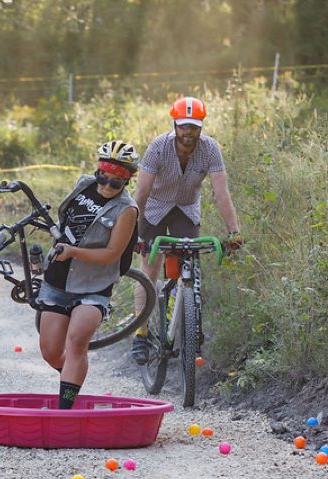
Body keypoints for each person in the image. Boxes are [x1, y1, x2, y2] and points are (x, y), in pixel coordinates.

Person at [130, 97, 243, 364]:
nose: (188, 132)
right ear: (175, 124)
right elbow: (142, 192)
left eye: (193, 126)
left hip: (185, 209)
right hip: (154, 208)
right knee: (149, 267)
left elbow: (221, 192)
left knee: (191, 267)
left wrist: (234, 231)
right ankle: (141, 334)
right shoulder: (158, 146)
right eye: (183, 126)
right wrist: (132, 232)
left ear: (201, 126)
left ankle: (192, 329)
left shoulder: (210, 149)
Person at [38, 141, 140, 409]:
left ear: (127, 180)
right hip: (58, 280)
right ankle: (71, 379)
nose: (107, 184)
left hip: (94, 285)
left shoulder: (126, 210)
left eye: (116, 181)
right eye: (104, 175)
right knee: (50, 351)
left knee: (77, 341)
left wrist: (73, 252)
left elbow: (111, 254)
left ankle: (65, 408)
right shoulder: (83, 185)